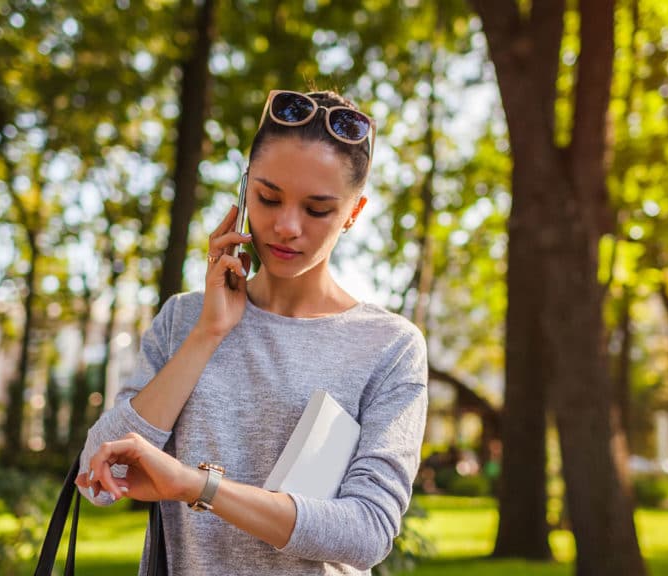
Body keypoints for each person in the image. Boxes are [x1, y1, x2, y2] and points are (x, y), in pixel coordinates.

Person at [75, 89, 429, 575]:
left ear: (353, 212)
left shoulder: (389, 345)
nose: (286, 225)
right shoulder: (184, 320)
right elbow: (99, 475)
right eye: (268, 197)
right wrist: (209, 332)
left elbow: (368, 530)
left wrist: (197, 486)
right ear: (244, 190)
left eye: (317, 209)